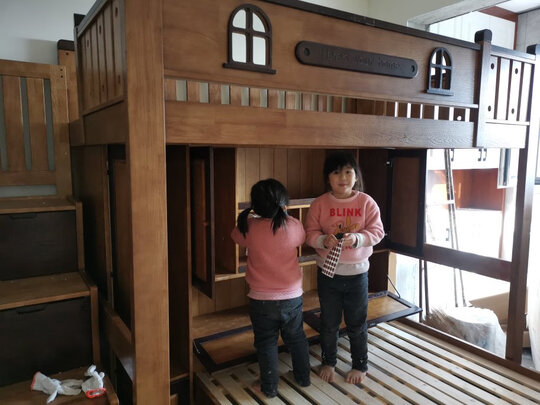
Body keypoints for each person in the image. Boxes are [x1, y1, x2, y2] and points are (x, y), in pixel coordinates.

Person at [304, 151, 384, 385]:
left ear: (356, 176)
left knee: (357, 324)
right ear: (327, 177)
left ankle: (360, 365)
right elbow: (310, 234)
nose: (343, 177)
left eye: (348, 172)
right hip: (328, 274)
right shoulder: (320, 203)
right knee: (329, 323)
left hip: (358, 274)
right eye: (337, 172)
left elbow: (377, 232)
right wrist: (323, 240)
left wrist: (358, 238)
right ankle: (329, 361)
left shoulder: (366, 202)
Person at [231, 178, 311, 398]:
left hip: (261, 299)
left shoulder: (250, 227)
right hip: (292, 296)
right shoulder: (292, 225)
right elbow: (303, 238)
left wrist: (251, 217)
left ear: (255, 206)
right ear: (283, 203)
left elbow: (234, 235)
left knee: (266, 343)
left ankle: (269, 387)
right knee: (296, 338)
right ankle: (303, 377)